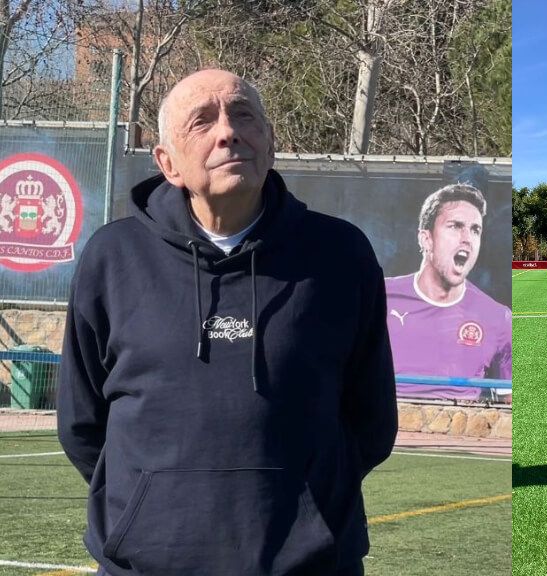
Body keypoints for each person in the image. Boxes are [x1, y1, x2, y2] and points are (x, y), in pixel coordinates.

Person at [57, 69, 397, 576]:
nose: (228, 131)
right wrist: (149, 510)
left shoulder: (340, 254)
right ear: (167, 163)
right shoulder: (112, 257)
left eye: (244, 116)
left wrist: (306, 504)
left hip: (312, 565)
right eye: (202, 121)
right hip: (147, 565)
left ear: (270, 143)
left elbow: (371, 419)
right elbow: (82, 424)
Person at [385, 183, 512, 403]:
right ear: (426, 239)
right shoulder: (380, 297)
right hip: (386, 430)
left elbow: (508, 402)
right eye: (455, 226)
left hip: (459, 432)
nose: (467, 238)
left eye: (475, 230)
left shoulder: (497, 317)